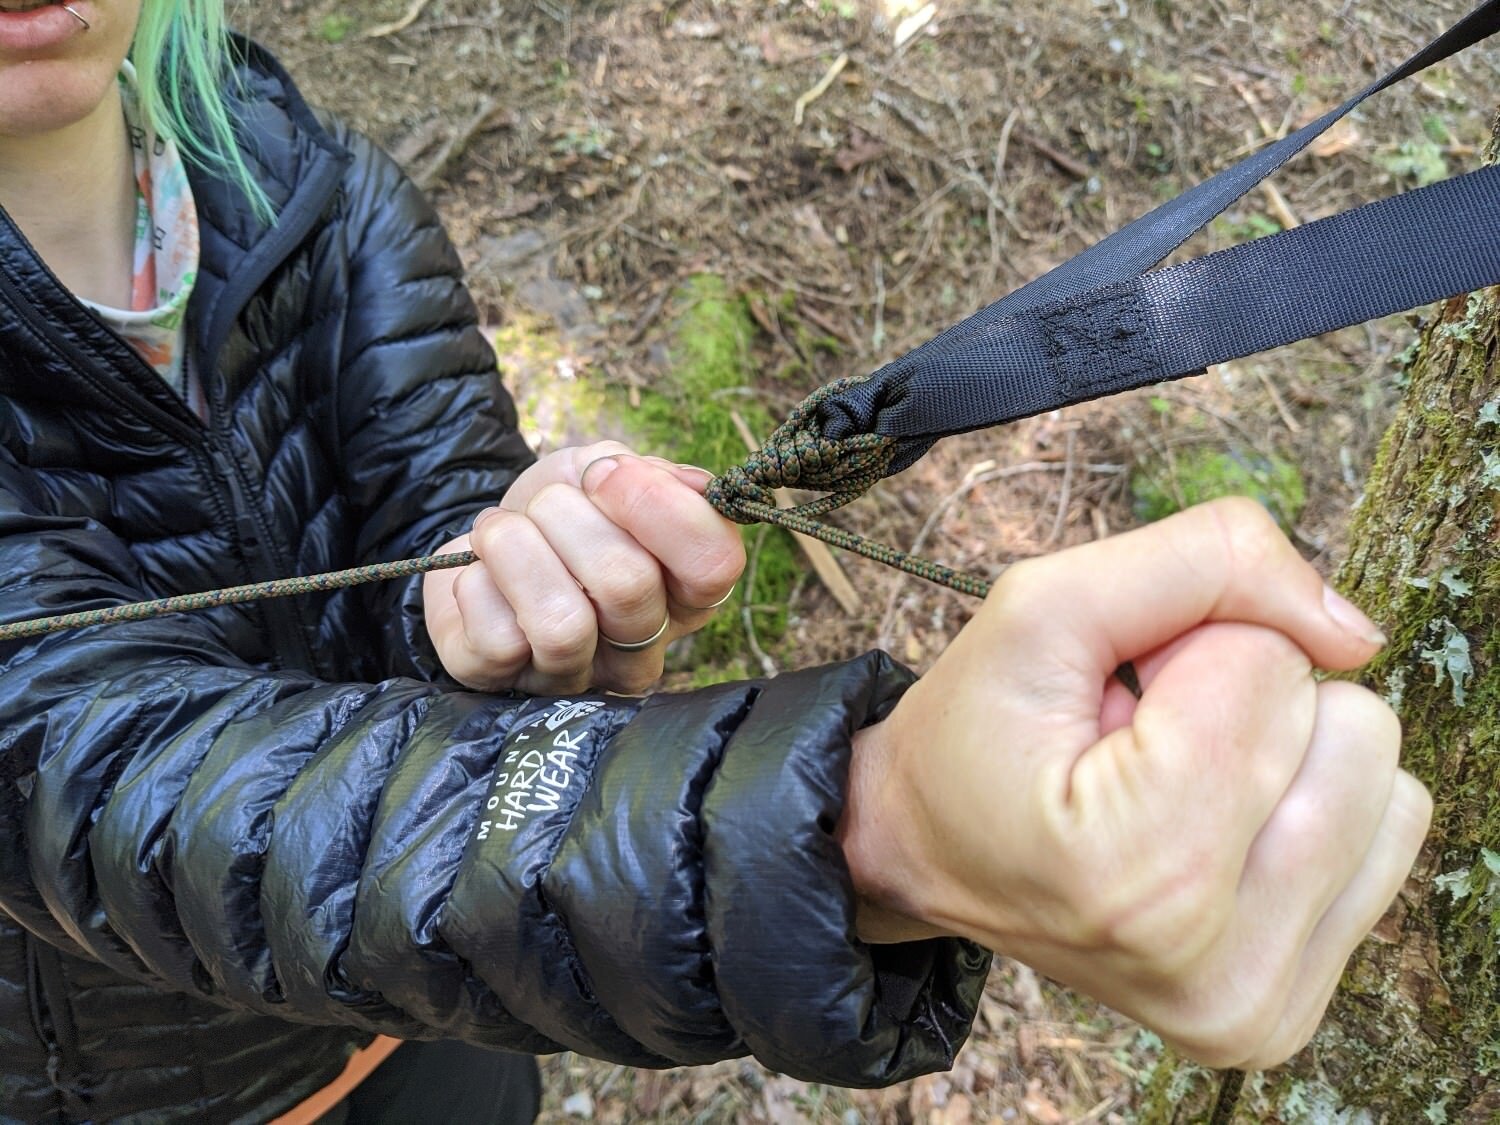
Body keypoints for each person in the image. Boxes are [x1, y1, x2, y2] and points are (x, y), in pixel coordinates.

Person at [0, 0, 1432, 1121]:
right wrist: (861, 820)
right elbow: (107, 773)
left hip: (432, 1038)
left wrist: (517, 602)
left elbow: (433, 576)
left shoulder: (322, 190)